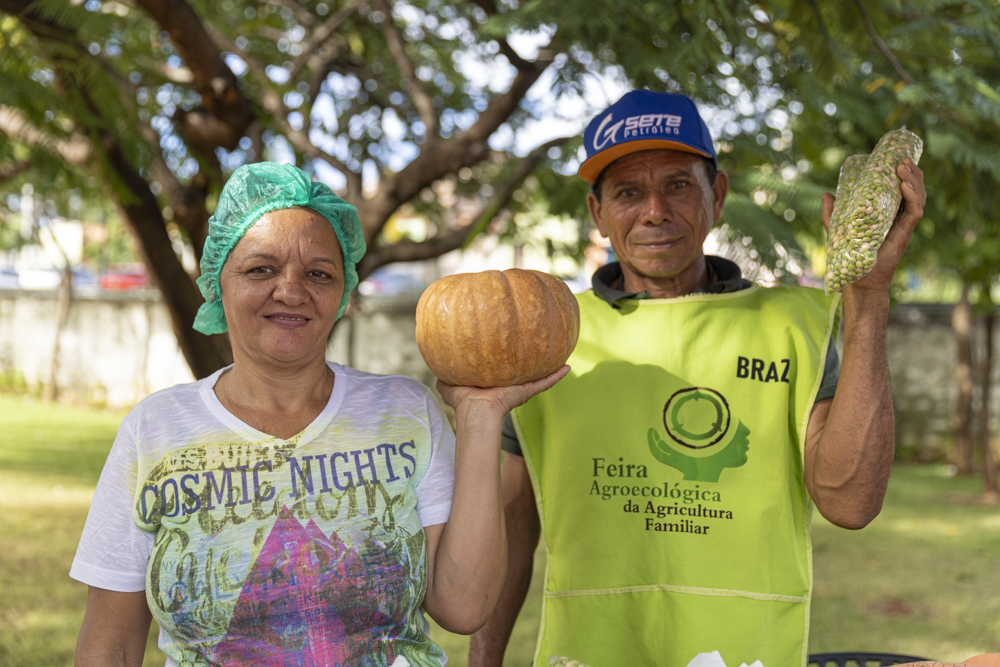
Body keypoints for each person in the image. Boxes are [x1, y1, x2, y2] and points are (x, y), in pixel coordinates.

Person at [468, 90, 927, 667]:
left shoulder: (793, 327)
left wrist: (870, 295)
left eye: (678, 185)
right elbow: (511, 532)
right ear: (597, 213)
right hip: (589, 652)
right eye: (627, 192)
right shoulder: (548, 337)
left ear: (719, 195)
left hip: (746, 653)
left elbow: (851, 503)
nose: (655, 211)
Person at [70, 162, 567, 667]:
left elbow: (463, 608)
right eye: (261, 269)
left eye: (318, 274)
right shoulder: (154, 430)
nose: (291, 291)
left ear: (343, 292)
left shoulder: (405, 411)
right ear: (219, 282)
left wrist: (481, 414)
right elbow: (111, 645)